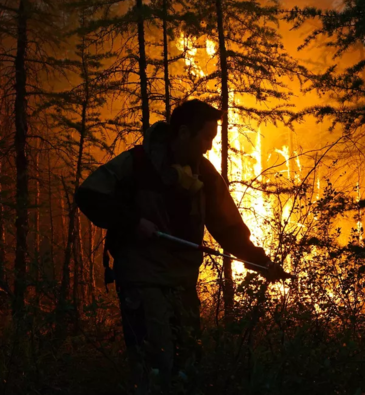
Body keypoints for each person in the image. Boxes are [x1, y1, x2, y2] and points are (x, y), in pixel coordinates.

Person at [74, 99, 289, 394]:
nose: (210, 147)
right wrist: (132, 221)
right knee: (156, 367)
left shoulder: (204, 174)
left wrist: (261, 262)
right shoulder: (137, 163)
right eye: (206, 138)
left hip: (182, 285)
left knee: (188, 366)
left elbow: (228, 229)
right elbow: (88, 195)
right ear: (185, 133)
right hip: (143, 281)